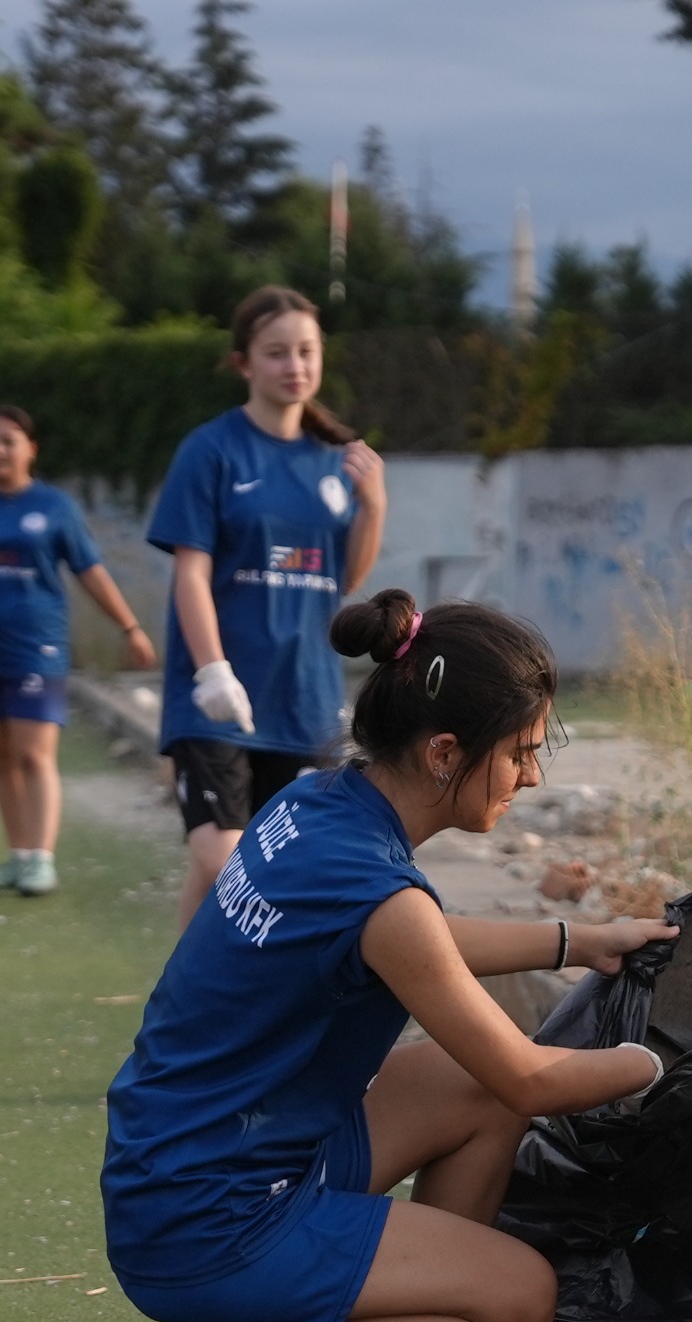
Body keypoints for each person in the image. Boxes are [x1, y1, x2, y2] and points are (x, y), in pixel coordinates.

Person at [101, 590, 676, 1322]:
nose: (531, 778)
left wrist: (577, 939)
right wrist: (668, 1058)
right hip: (212, 1224)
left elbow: (415, 941)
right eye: (520, 754)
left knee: (465, 1083)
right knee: (518, 1302)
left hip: (187, 1170)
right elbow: (530, 1077)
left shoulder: (316, 802)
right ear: (445, 753)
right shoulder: (379, 893)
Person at [150, 286, 388, 931]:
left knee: (263, 872)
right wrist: (211, 672)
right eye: (277, 352)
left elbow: (342, 581)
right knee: (226, 861)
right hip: (217, 700)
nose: (295, 366)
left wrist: (373, 505)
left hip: (303, 699)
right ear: (244, 363)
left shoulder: (337, 462)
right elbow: (190, 573)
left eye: (306, 351)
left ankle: (192, 991)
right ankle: (207, 993)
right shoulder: (211, 450)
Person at [0, 406, 156, 897]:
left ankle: (41, 858)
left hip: (36, 648)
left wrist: (130, 627)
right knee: (0, 756)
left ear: (30, 449)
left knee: (33, 753)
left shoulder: (55, 506)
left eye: (8, 441)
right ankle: (18, 856)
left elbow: (90, 570)